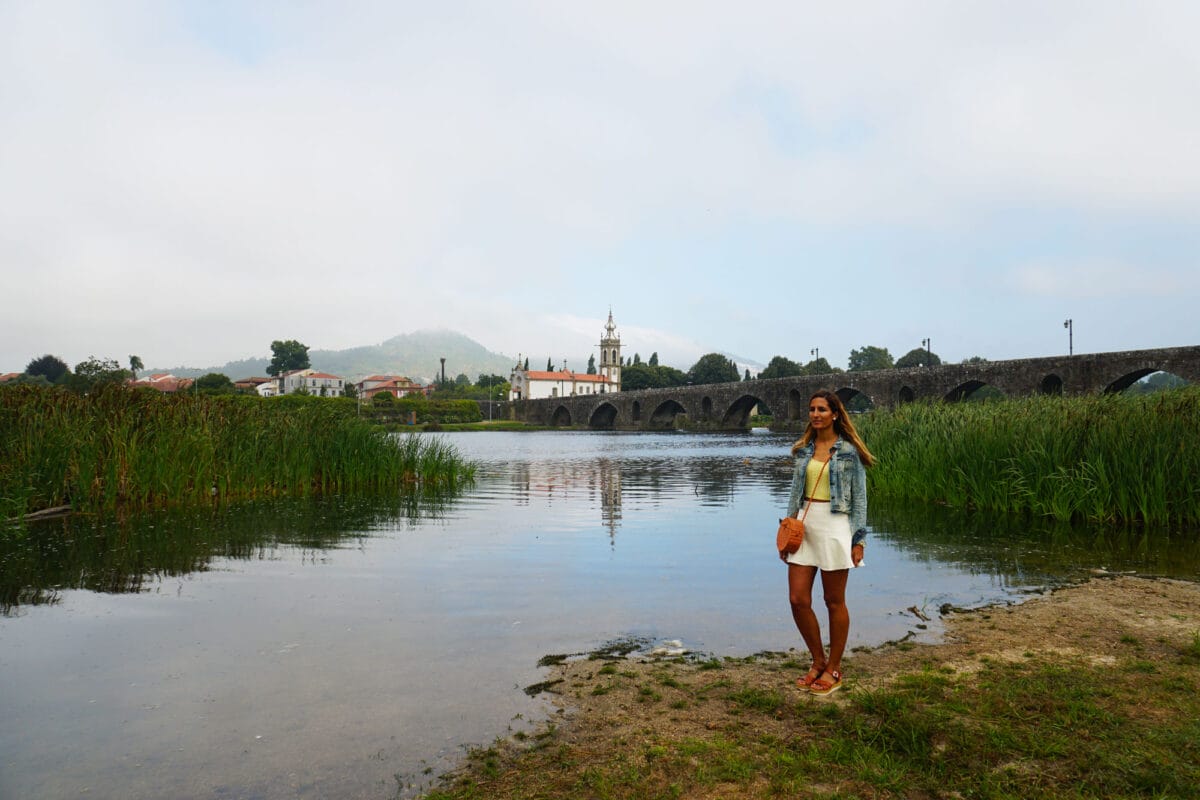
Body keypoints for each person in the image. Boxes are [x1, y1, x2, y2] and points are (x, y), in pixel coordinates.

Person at [782, 389, 875, 696]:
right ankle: (817, 659)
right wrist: (786, 529)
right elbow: (795, 493)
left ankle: (834, 667)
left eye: (822, 409)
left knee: (834, 601)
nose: (816, 414)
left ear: (835, 413)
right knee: (798, 599)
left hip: (836, 526)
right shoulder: (803, 450)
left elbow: (860, 498)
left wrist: (859, 539)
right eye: (812, 409)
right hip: (805, 526)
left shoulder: (849, 452)